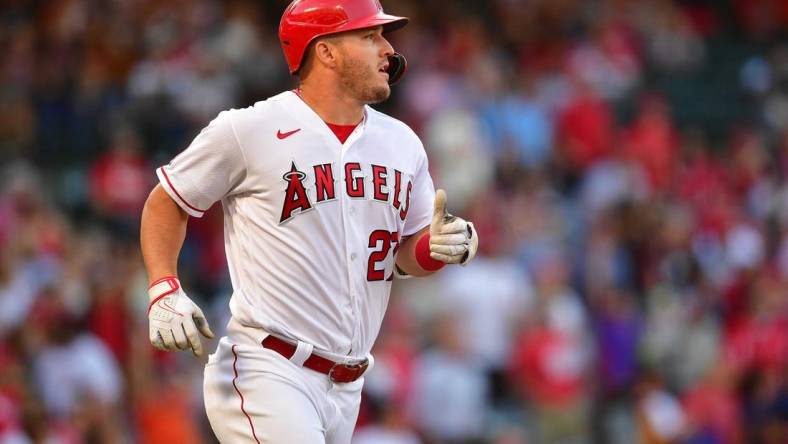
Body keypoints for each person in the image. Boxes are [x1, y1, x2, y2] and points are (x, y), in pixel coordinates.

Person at [138, 0, 479, 442]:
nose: (387, 50)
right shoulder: (250, 129)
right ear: (327, 52)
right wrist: (164, 288)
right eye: (370, 36)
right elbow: (167, 201)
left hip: (348, 384)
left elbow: (402, 255)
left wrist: (435, 249)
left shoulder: (402, 143)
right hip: (268, 367)